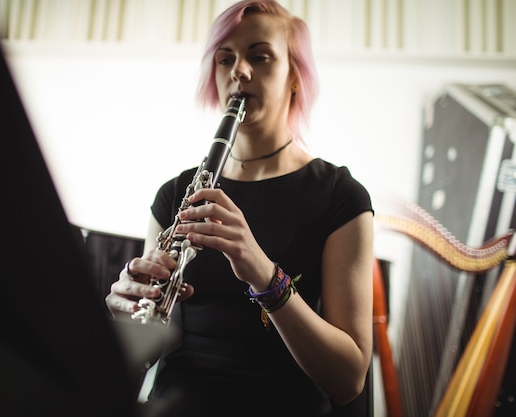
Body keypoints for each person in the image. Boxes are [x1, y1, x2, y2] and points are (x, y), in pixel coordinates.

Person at [105, 1, 374, 415]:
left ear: (295, 77)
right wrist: (127, 321)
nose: (239, 71)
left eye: (260, 56)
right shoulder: (175, 194)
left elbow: (348, 380)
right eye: (225, 58)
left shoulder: (340, 196)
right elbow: (143, 358)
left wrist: (263, 273)